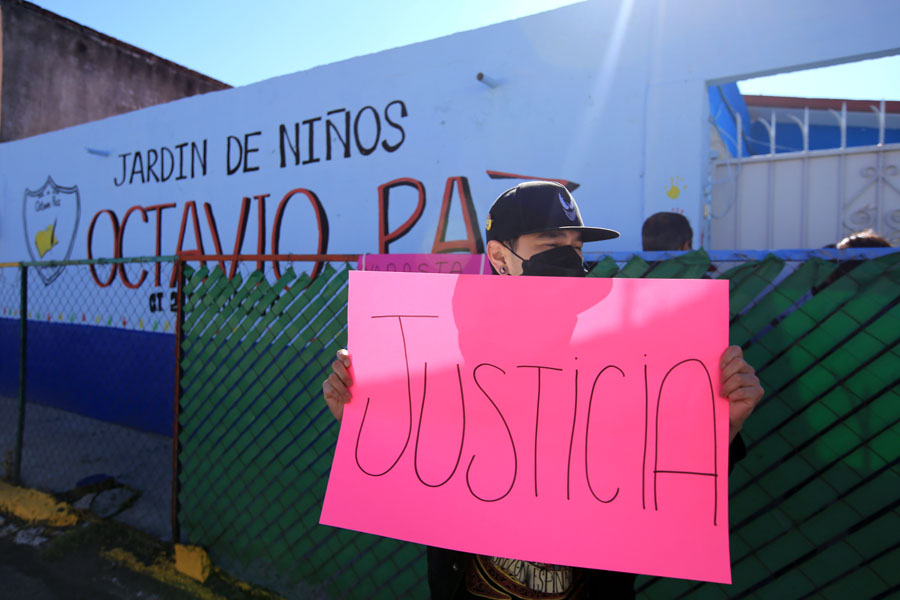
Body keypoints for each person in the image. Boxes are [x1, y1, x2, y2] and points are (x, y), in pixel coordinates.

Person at [323, 181, 763, 599]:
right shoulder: (450, 356)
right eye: (552, 246)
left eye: (576, 248)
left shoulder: (620, 353)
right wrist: (362, 415)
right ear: (498, 256)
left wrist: (722, 428)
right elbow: (419, 460)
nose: (570, 258)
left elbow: (659, 474)